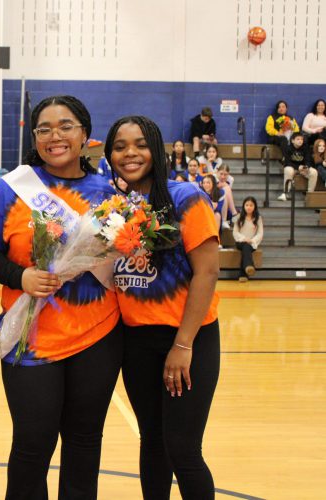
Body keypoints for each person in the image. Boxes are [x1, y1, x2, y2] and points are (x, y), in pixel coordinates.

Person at [0, 95, 123, 499]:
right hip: (31, 337)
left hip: (98, 335)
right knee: (32, 442)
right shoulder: (9, 190)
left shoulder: (109, 192)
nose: (54, 136)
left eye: (66, 126)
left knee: (84, 440)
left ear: (85, 135)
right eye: (44, 129)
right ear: (35, 137)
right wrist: (20, 276)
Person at [105, 115, 220, 500]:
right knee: (152, 441)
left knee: (183, 447)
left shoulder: (187, 198)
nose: (130, 153)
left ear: (155, 149)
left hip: (189, 338)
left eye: (139, 144)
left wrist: (183, 345)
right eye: (120, 147)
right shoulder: (114, 209)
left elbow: (206, 273)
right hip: (136, 342)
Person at [278, 132, 317, 201]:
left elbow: (308, 159)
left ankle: (310, 195)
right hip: (293, 168)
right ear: (293, 141)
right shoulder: (288, 148)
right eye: (298, 139)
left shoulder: (306, 148)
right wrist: (298, 167)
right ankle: (285, 193)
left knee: (314, 172)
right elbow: (287, 162)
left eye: (301, 139)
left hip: (303, 169)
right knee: (288, 169)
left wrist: (307, 167)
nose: (300, 141)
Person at [233, 196, 263, 283]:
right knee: (245, 246)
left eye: (251, 205)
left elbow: (260, 233)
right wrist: (243, 238)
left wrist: (252, 240)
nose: (249, 207)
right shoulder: (238, 217)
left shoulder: (258, 218)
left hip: (252, 243)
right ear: (244, 206)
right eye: (247, 205)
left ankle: (243, 275)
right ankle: (249, 266)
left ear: (254, 207)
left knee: (246, 248)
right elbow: (235, 232)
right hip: (240, 241)